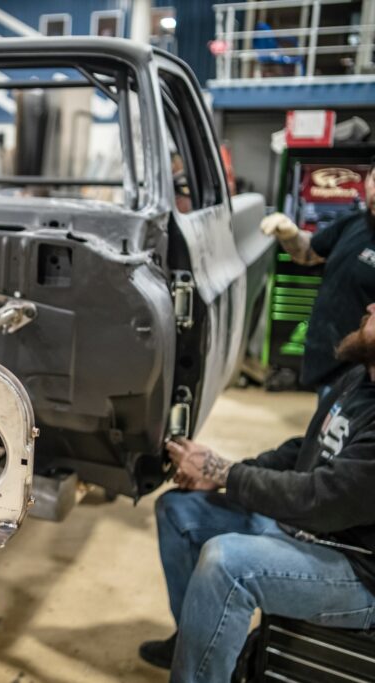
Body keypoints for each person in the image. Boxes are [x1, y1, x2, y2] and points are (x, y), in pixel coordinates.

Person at [138, 306, 375, 682]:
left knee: (228, 565)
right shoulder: (360, 378)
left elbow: (319, 500)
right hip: (312, 530)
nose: (370, 307)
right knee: (179, 511)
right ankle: (195, 641)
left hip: (357, 570)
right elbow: (306, 449)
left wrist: (225, 472)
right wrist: (225, 474)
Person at [260, 160, 375, 394]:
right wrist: (290, 235)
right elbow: (309, 252)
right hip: (326, 359)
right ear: (367, 180)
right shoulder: (354, 222)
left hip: (361, 374)